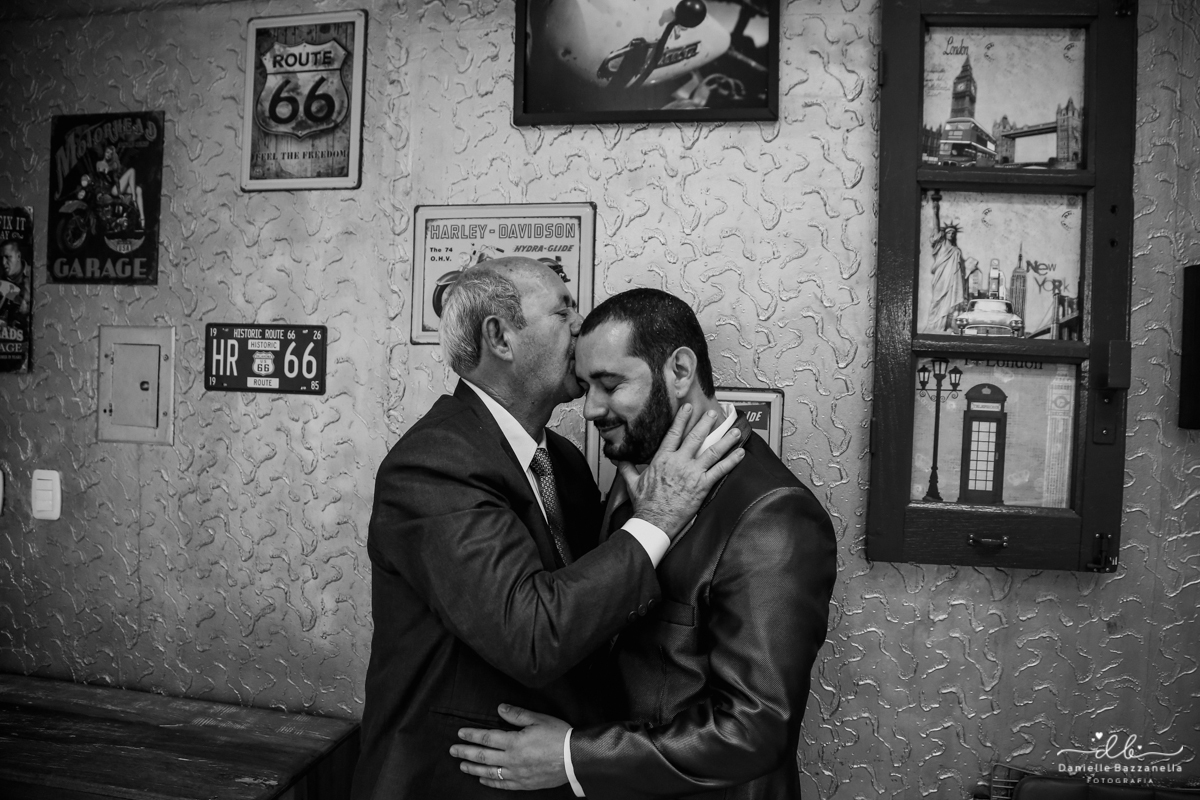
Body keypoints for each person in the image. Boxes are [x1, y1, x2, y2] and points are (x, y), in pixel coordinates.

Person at [352, 260, 745, 799]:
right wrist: (657, 518)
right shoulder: (432, 465)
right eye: (564, 311)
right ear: (500, 337)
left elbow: (591, 612)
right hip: (449, 784)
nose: (582, 324)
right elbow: (533, 635)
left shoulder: (562, 460)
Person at [453, 288, 838, 799]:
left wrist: (572, 757)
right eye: (585, 386)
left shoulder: (774, 513)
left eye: (610, 385)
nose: (590, 409)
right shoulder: (634, 471)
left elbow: (755, 729)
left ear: (680, 371)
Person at [0, 240, 30, 327]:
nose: (3, 262)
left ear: (18, 256)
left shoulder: (36, 276)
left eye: (7, 257)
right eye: (1, 258)